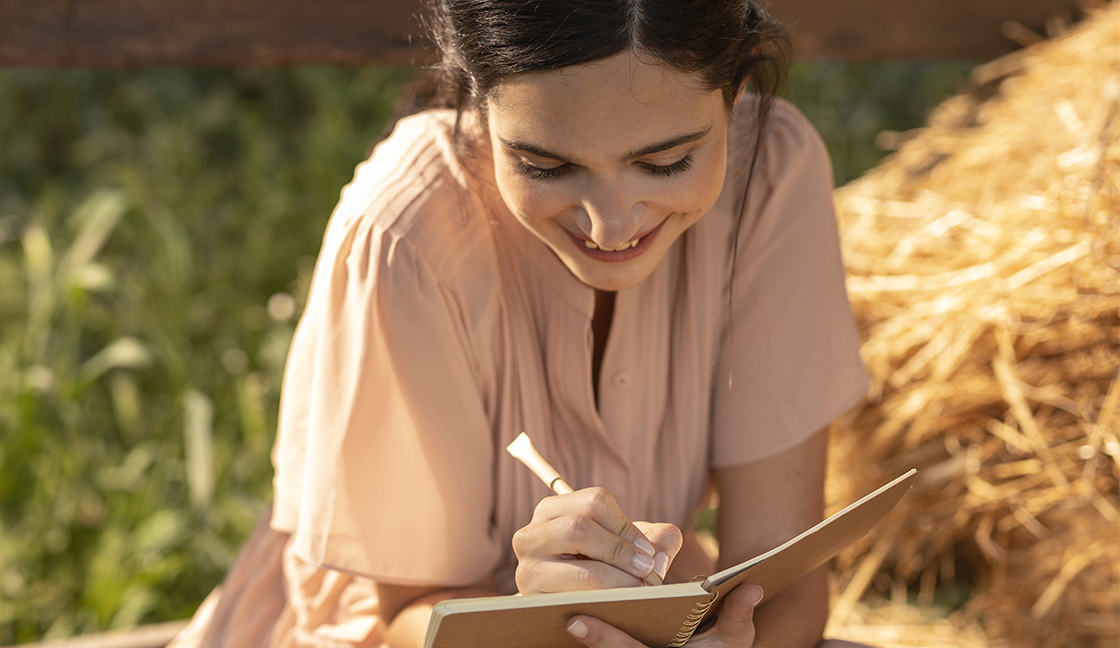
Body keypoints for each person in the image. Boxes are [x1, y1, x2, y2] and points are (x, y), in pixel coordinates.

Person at [170, 0, 873, 646]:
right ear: (478, 96)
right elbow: (395, 622)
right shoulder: (405, 233)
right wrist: (525, 621)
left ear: (737, 88)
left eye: (665, 163)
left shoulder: (771, 174)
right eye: (546, 165)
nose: (611, 226)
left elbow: (783, 576)